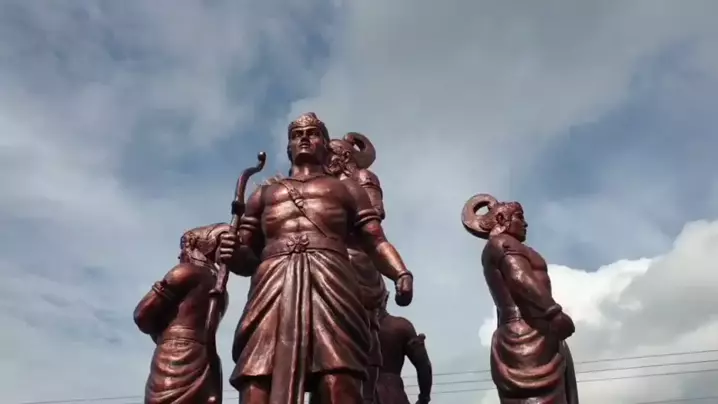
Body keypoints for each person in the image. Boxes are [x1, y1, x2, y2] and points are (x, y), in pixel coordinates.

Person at [218, 112, 414, 404]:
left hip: (331, 278)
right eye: (297, 135)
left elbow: (375, 240)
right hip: (273, 281)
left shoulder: (347, 189)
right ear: (288, 147)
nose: (304, 139)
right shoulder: (265, 194)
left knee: (339, 371)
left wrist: (400, 273)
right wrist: (233, 252)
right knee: (258, 373)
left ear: (325, 143)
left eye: (312, 133)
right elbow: (247, 258)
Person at [461, 194, 578, 404]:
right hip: (526, 332)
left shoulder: (503, 246)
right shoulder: (502, 243)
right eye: (519, 217)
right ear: (501, 219)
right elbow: (519, 278)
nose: (525, 223)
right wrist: (553, 312)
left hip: (535, 332)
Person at [134, 223, 230, 404]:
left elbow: (142, 316)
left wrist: (159, 330)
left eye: (185, 247)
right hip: (206, 360)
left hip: (175, 355)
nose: (180, 255)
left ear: (199, 248)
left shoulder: (184, 272)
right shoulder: (221, 292)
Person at [326, 132, 387, 403]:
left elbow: (375, 213)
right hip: (328, 258)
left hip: (357, 259)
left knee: (363, 330)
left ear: (344, 156)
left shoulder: (363, 178)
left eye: (331, 154)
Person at [375, 292, 432, 404]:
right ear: (385, 297)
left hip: (354, 393)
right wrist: (424, 398)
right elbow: (424, 366)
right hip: (392, 396)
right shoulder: (401, 326)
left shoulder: (348, 327)